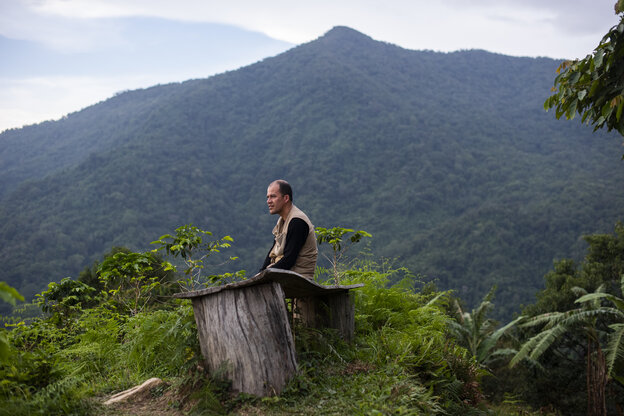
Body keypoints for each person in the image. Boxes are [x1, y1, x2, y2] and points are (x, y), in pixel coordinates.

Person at [260, 179, 318, 279]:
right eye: (268, 197)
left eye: (273, 196)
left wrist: (266, 274)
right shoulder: (282, 221)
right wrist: (261, 272)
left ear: (286, 198)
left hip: (299, 279)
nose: (268, 201)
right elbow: (272, 253)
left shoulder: (297, 222)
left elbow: (289, 260)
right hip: (285, 276)